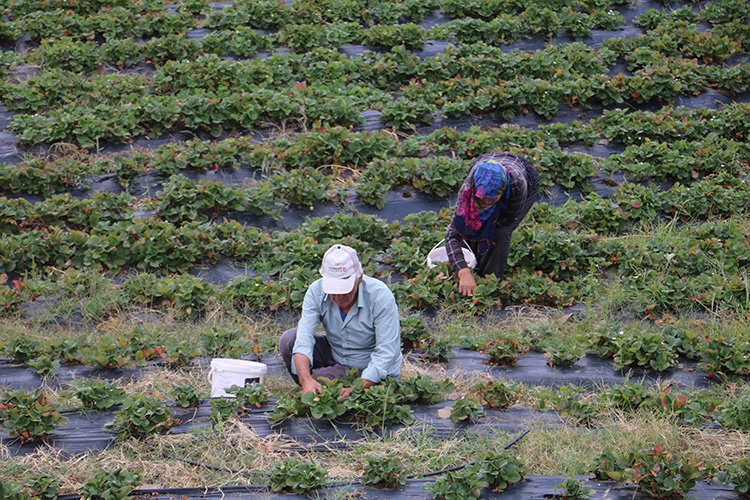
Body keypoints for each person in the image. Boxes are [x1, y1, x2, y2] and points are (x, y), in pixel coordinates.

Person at [279, 244, 402, 397]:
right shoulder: (316, 291)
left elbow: (386, 352)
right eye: (333, 291)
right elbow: (304, 339)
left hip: (367, 365)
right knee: (289, 339)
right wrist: (305, 380)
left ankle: (323, 385)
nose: (338, 297)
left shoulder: (380, 296)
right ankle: (311, 387)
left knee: (323, 379)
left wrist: (358, 388)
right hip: (336, 353)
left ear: (359, 278)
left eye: (344, 290)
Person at [445, 152, 540, 297]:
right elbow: (452, 234)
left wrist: (486, 231)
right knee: (467, 223)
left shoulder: (518, 184)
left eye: (492, 198)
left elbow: (508, 220)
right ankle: (468, 265)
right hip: (486, 161)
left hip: (524, 178)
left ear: (500, 192)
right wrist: (463, 271)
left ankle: (490, 280)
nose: (487, 203)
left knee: (500, 231)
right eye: (483, 199)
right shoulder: (469, 188)